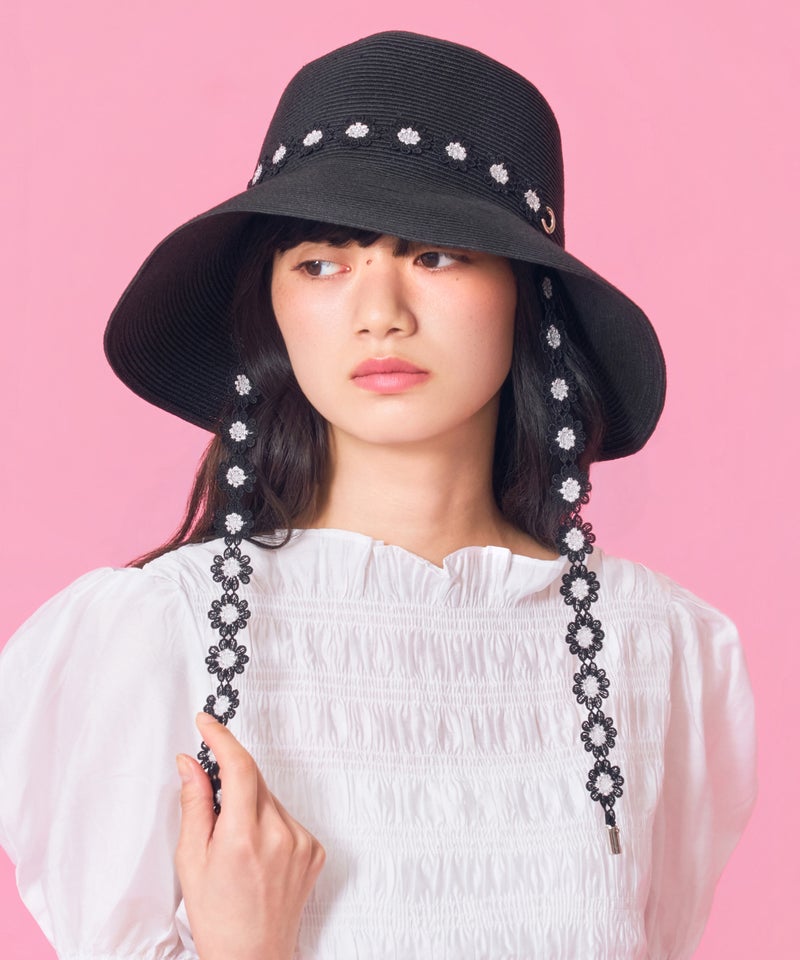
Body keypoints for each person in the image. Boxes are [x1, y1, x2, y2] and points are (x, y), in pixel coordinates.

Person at [0, 29, 757, 960]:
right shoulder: (155, 634)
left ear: (527, 292)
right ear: (271, 306)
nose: (380, 313)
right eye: (321, 263)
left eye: (435, 256)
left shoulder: (657, 646)